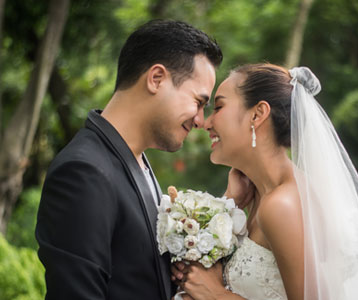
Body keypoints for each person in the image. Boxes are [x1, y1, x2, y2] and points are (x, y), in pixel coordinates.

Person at [35, 20, 224, 300]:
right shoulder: (84, 171)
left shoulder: (138, 162)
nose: (199, 120)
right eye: (198, 102)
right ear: (156, 78)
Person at [171, 63, 358, 300]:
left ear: (258, 114)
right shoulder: (257, 195)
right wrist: (230, 202)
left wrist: (215, 295)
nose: (206, 123)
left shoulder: (281, 205)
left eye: (219, 107)